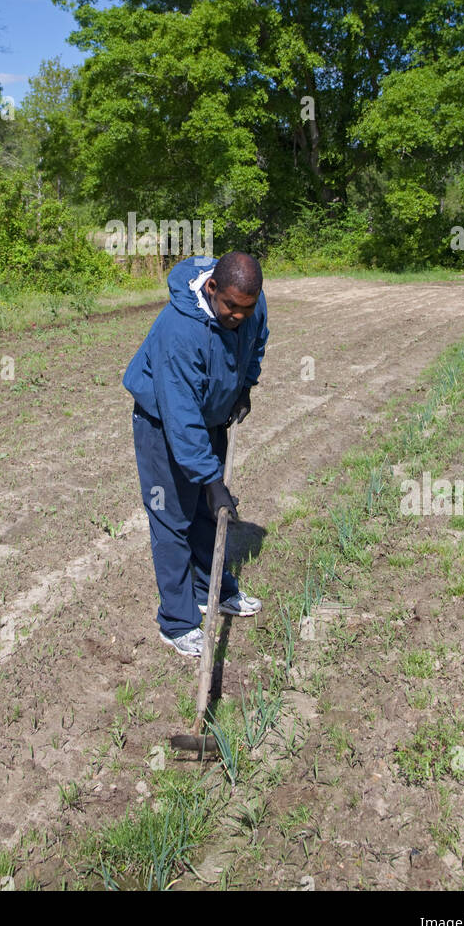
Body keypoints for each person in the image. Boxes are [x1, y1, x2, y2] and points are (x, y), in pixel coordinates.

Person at [123, 250, 269, 657]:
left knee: (209, 511)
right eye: (231, 307)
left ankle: (213, 590)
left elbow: (256, 340)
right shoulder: (179, 331)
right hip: (162, 419)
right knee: (173, 517)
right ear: (211, 287)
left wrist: (244, 387)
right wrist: (209, 478)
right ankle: (177, 622)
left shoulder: (249, 302)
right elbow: (180, 414)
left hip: (209, 415)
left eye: (247, 307)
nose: (239, 316)